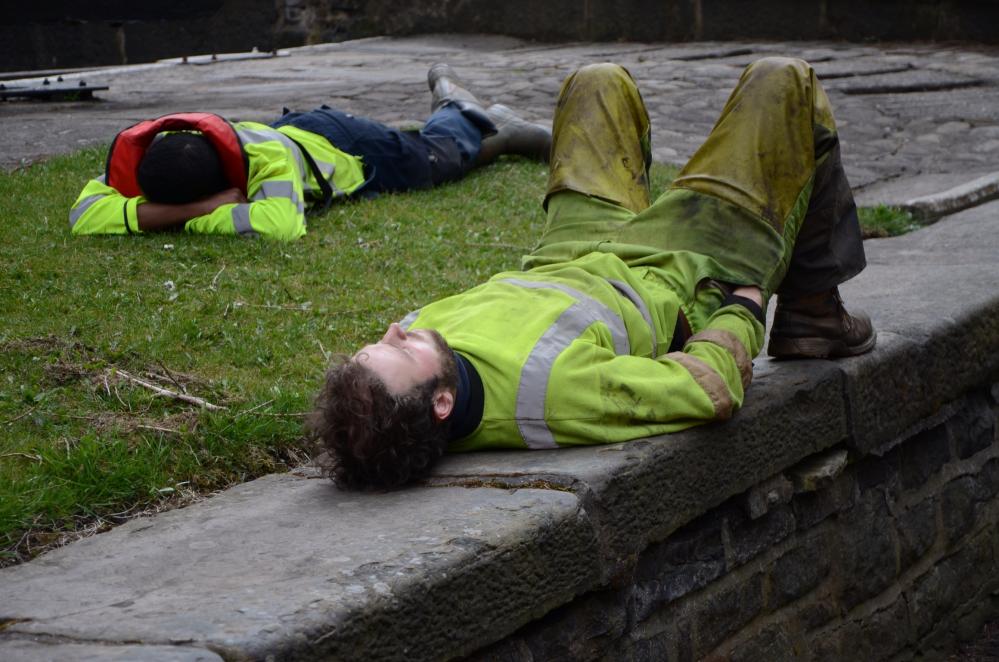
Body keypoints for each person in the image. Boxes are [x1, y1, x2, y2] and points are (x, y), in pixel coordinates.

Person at [310, 58, 878, 489]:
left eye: (376, 343)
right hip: (675, 267)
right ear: (440, 404)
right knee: (784, 82)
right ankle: (813, 312)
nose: (394, 330)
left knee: (596, 83)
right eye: (400, 350)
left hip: (573, 251)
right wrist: (744, 306)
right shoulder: (551, 396)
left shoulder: (426, 348)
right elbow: (706, 391)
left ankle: (810, 310)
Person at [67, 64, 551, 240]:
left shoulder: (270, 166)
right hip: (294, 128)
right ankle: (496, 129)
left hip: (343, 143)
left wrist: (163, 215)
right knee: (421, 150)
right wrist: (199, 210)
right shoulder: (159, 155)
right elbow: (84, 214)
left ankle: (461, 109)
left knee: (432, 160)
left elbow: (282, 223)